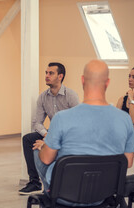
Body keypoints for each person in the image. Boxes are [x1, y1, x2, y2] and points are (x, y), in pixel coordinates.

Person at [33, 60, 134, 206]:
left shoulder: (61, 118)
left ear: (82, 80)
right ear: (107, 83)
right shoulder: (124, 119)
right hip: (102, 194)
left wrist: (44, 147)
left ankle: (50, 193)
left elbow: (47, 159)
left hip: (65, 194)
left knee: (38, 153)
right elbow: (128, 162)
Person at [19, 62, 79, 195]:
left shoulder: (71, 95)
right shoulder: (43, 97)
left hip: (67, 135)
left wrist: (54, 136)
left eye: (51, 73)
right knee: (28, 139)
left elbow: (78, 122)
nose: (46, 75)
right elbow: (37, 123)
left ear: (60, 76)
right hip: (51, 133)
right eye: (46, 73)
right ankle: (34, 182)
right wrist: (46, 134)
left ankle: (58, 181)